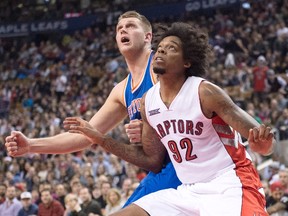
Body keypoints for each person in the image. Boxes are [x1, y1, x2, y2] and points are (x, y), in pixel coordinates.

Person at [63, 22, 275, 215]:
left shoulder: (205, 92)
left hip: (230, 184)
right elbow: (151, 161)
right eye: (161, 47)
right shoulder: (149, 101)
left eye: (171, 48)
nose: (162, 50)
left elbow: (265, 143)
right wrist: (99, 138)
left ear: (187, 62)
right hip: (187, 191)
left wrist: (262, 145)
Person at [4, 10, 181, 207]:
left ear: (148, 36)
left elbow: (190, 110)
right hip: (160, 169)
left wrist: (150, 129)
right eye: (119, 28)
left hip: (184, 162)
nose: (123, 30)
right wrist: (31, 145)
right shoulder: (121, 90)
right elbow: (83, 136)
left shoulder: (161, 66)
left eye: (130, 26)